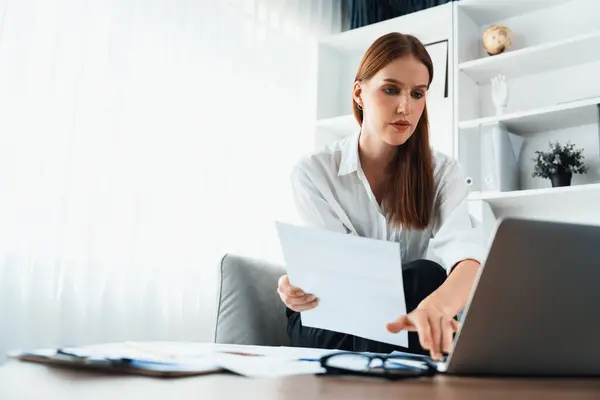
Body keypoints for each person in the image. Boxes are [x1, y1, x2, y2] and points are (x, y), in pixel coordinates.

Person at [276, 32, 486, 361]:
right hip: (329, 318)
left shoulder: (442, 172)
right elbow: (339, 275)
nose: (406, 107)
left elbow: (466, 254)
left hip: (399, 314)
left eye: (418, 94)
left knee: (427, 276)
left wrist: (436, 308)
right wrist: (298, 282)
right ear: (359, 93)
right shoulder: (313, 172)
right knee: (418, 281)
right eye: (391, 89)